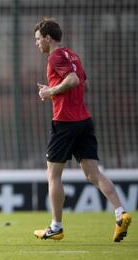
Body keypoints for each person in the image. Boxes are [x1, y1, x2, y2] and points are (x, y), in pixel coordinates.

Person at [33, 18, 131, 242]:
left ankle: (56, 227)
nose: (37, 44)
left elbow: (74, 79)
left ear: (48, 38)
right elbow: (84, 84)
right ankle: (120, 213)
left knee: (53, 175)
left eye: (38, 39)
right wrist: (59, 90)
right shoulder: (73, 55)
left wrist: (50, 92)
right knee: (93, 174)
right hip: (84, 120)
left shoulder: (55, 56)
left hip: (65, 122)